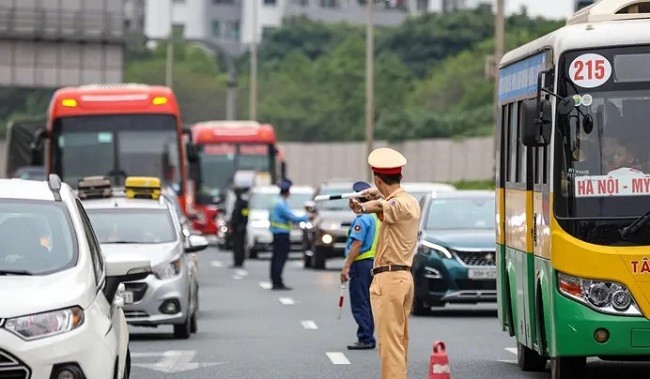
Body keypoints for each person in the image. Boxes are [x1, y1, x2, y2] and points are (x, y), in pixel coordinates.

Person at [348, 147, 420, 379]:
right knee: (399, 341)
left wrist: (361, 207)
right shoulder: (410, 201)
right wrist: (377, 195)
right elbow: (385, 203)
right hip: (402, 277)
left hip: (390, 279)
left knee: (390, 345)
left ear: (378, 179)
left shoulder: (398, 205)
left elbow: (382, 207)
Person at [340, 180, 380, 350]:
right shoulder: (375, 217)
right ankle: (368, 334)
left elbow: (356, 244)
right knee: (368, 302)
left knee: (360, 301)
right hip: (372, 263)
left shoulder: (362, 219)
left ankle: (365, 337)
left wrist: (346, 266)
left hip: (361, 263)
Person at [269, 178, 314, 290]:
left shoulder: (276, 201)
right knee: (280, 258)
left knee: (276, 258)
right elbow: (292, 217)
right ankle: (277, 282)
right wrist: (307, 217)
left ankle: (276, 280)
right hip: (282, 234)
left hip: (276, 233)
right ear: (287, 191)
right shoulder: (281, 204)